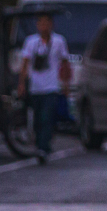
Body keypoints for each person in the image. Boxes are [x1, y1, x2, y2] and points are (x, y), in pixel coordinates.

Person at [18, 13, 71, 164]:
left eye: (46, 23)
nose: (44, 26)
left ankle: (43, 147)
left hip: (51, 86)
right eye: (41, 23)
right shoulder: (31, 42)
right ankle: (42, 144)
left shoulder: (59, 41)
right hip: (35, 87)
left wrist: (65, 84)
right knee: (36, 119)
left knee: (47, 117)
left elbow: (65, 63)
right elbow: (25, 63)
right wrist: (21, 83)